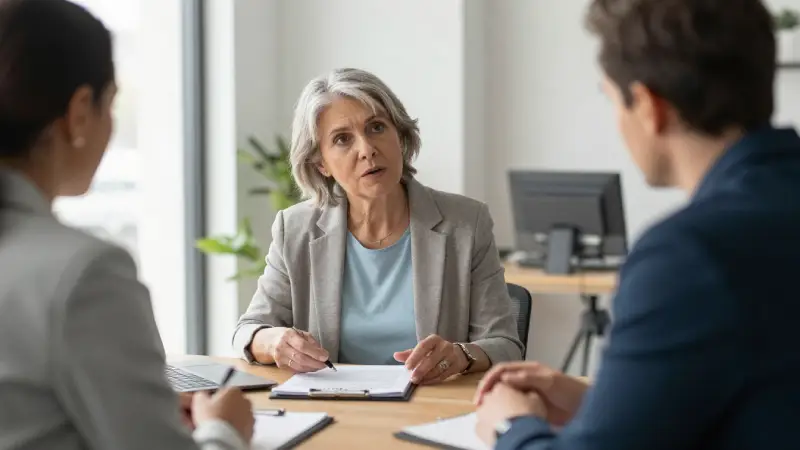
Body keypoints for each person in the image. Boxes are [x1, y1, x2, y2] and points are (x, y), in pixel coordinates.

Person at [473, 0, 800, 448]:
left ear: (649, 107)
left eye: (612, 100)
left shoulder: (688, 255)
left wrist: (511, 426)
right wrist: (601, 400)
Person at [0, 1, 254, 449]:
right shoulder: (84, 274)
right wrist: (225, 429)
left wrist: (139, 408)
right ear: (80, 111)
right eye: (111, 104)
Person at [233, 68, 523, 384]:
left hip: (431, 403)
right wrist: (276, 342)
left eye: (376, 127)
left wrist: (462, 356)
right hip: (333, 405)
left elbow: (505, 344)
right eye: (342, 139)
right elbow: (247, 331)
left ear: (399, 136)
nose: (367, 149)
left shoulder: (466, 223)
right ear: (321, 164)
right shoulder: (296, 229)